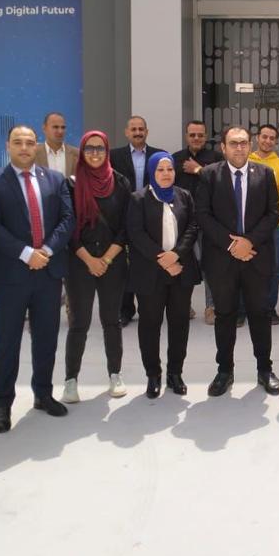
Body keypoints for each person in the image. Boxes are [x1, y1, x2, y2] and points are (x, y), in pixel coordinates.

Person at [0, 125, 75, 432]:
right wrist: (26, 253)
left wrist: (46, 250)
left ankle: (43, 394)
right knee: (7, 341)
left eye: (30, 142)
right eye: (17, 142)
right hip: (11, 274)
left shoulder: (55, 179)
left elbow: (67, 219)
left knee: (46, 337)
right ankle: (3, 404)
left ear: (37, 146)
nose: (24, 147)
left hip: (48, 271)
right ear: (7, 146)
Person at [194, 126, 279, 396]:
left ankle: (265, 370)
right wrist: (232, 244)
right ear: (223, 147)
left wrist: (249, 242)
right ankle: (224, 371)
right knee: (225, 316)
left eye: (244, 143)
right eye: (233, 143)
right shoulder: (209, 175)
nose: (239, 148)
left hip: (256, 257)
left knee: (260, 315)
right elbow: (203, 214)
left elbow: (273, 213)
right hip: (222, 260)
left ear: (250, 145)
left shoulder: (265, 174)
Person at [61, 131, 131, 404]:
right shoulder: (71, 184)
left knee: (111, 321)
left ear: (107, 150)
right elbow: (68, 228)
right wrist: (90, 260)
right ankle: (71, 380)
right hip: (80, 263)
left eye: (99, 148)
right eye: (89, 148)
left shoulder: (121, 182)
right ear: (81, 152)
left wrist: (107, 259)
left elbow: (126, 227)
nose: (94, 153)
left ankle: (115, 374)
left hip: (112, 262)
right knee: (79, 323)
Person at [128, 153, 200, 398]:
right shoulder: (138, 199)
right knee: (150, 324)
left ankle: (175, 373)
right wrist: (163, 259)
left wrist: (176, 255)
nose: (166, 174)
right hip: (151, 273)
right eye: (160, 170)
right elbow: (136, 234)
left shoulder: (184, 196)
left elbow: (192, 227)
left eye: (170, 169)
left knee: (179, 324)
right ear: (152, 172)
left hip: (180, 270)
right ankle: (153, 375)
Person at [110, 115, 164, 327]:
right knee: (124, 266)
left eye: (141, 129)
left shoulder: (158, 155)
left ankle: (149, 307)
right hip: (123, 216)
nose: (138, 132)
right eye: (133, 129)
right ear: (126, 132)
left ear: (147, 132)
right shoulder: (114, 156)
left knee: (148, 262)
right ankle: (125, 309)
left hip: (151, 217)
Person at [172, 119, 223, 324]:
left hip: (209, 220)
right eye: (192, 135)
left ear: (206, 136)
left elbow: (222, 184)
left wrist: (199, 169)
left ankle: (211, 307)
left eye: (200, 135)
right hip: (183, 222)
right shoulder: (175, 159)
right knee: (184, 263)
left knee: (210, 264)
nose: (196, 138)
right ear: (186, 136)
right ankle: (184, 305)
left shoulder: (216, 159)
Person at [248, 123, 279, 325]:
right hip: (248, 225)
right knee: (246, 266)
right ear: (257, 138)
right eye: (264, 136)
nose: (267, 141)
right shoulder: (246, 160)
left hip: (275, 226)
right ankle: (244, 309)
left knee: (273, 269)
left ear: (276, 141)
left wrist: (268, 217)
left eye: (272, 138)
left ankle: (269, 308)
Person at [35, 111, 79, 177]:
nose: (60, 131)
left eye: (63, 127)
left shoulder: (77, 154)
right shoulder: (34, 153)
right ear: (44, 128)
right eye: (55, 127)